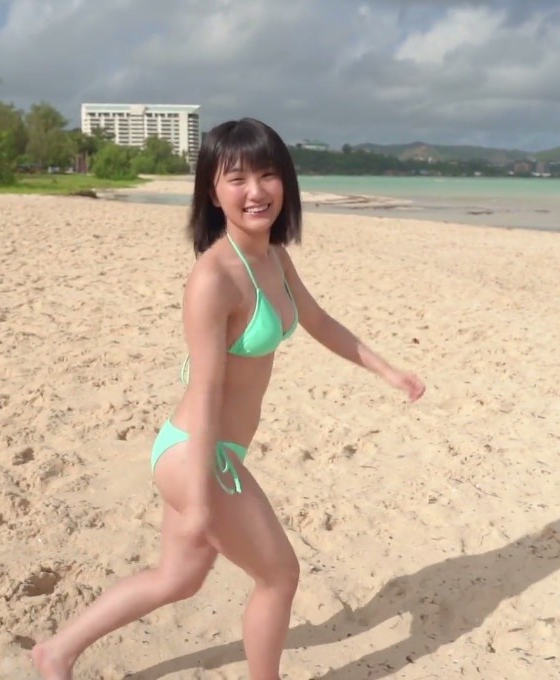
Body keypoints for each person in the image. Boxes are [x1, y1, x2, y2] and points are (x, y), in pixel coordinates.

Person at [32, 117, 426, 680]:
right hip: (199, 453)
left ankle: (56, 652)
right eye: (237, 179)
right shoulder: (213, 278)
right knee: (280, 576)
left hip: (212, 451)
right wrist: (198, 500)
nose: (256, 191)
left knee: (178, 578)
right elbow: (206, 390)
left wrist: (388, 370)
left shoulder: (274, 256)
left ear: (285, 182)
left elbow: (317, 320)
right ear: (213, 193)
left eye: (267, 175)